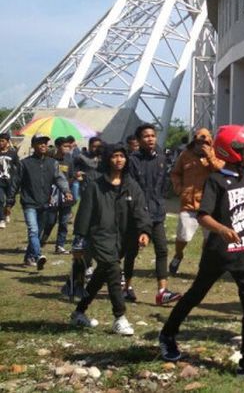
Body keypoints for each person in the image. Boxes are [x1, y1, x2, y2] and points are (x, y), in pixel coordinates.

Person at [157, 125, 244, 379]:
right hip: (220, 252)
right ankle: (167, 335)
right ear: (231, 151)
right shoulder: (215, 180)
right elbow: (202, 216)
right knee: (195, 295)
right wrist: (222, 229)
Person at [69, 143, 151, 336]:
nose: (119, 159)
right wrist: (79, 240)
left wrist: (144, 231)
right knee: (114, 270)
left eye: (122, 156)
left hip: (122, 239)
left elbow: (140, 211)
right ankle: (119, 317)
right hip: (99, 237)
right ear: (107, 159)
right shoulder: (95, 186)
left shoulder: (131, 185)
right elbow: (84, 214)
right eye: (114, 156)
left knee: (101, 275)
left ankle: (79, 312)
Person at [126, 124, 182, 305]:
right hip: (137, 212)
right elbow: (132, 188)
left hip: (157, 211)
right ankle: (126, 286)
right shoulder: (132, 160)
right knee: (131, 251)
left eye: (152, 135)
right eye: (146, 136)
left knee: (162, 249)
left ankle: (162, 291)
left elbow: (164, 182)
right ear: (139, 140)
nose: (150, 139)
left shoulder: (161, 158)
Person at [168, 128, 224, 274]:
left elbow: (221, 170)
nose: (201, 145)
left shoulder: (216, 154)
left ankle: (204, 263)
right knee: (183, 235)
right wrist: (179, 188)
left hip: (209, 205)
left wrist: (209, 157)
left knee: (209, 238)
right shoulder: (185, 155)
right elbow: (175, 173)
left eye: (205, 143)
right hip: (189, 203)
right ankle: (178, 255)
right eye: (199, 142)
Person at [19, 134, 71, 270]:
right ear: (33, 145)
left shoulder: (52, 163)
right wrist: (9, 201)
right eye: (39, 143)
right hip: (29, 202)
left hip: (44, 203)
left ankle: (28, 258)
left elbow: (59, 179)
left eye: (45, 143)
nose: (43, 145)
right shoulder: (25, 163)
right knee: (33, 230)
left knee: (38, 232)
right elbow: (15, 182)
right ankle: (38, 255)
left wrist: (66, 191)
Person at [43, 136, 77, 255]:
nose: (67, 148)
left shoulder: (69, 160)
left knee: (64, 222)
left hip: (66, 195)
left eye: (69, 146)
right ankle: (42, 240)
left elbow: (71, 176)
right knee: (50, 221)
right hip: (52, 195)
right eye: (65, 146)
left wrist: (73, 181)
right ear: (58, 146)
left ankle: (60, 246)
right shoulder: (49, 160)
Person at [0, 132, 20, 229]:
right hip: (0, 181)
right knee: (0, 200)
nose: (0, 143)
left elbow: (19, 166)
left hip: (10, 181)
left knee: (11, 201)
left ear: (7, 142)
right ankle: (2, 219)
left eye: (2, 141)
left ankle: (7, 211)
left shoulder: (13, 153)